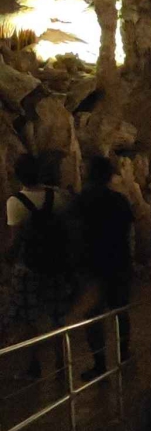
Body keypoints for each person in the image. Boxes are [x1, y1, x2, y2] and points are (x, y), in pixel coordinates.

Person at [5, 154, 72, 379]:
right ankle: (62, 364)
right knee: (56, 316)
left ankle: (33, 365)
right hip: (55, 265)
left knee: (28, 318)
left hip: (28, 267)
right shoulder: (58, 197)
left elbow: (15, 239)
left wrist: (7, 258)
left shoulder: (15, 202)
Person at [72, 156, 136, 382]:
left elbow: (75, 233)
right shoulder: (119, 200)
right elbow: (129, 231)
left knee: (94, 318)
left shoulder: (81, 200)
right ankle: (124, 354)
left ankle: (99, 364)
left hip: (92, 265)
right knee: (120, 312)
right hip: (118, 262)